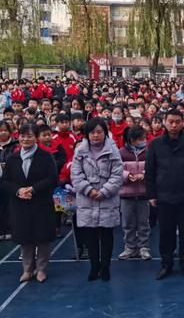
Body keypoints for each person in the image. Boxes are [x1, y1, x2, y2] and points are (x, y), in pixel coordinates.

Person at [145, 108, 184, 281]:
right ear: (164, 122)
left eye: (178, 122)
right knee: (166, 233)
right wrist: (152, 194)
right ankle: (166, 264)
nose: (174, 125)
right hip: (163, 197)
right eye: (170, 121)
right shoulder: (155, 144)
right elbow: (150, 171)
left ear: (183, 123)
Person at [0, 123, 57, 283]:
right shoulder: (12, 159)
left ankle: (41, 269)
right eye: (23, 136)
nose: (25, 139)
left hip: (41, 203)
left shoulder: (46, 157)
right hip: (20, 205)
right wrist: (19, 191)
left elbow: (52, 179)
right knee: (25, 239)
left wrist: (33, 189)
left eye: (29, 136)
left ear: (36, 138)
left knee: (42, 238)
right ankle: (27, 269)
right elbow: (4, 182)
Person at [70, 117, 123, 282]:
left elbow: (117, 174)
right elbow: (76, 174)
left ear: (105, 133)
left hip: (107, 199)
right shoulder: (80, 151)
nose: (95, 135)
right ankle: (94, 266)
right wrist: (89, 190)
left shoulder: (113, 150)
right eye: (92, 132)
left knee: (107, 235)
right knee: (90, 237)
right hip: (87, 200)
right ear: (87, 134)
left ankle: (106, 267)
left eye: (99, 132)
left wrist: (105, 191)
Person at [118, 125, 151, 260]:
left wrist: (144, 175)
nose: (144, 141)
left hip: (143, 194)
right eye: (141, 139)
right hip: (126, 194)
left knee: (143, 222)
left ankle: (144, 247)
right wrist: (127, 175)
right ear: (133, 140)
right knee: (127, 223)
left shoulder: (148, 152)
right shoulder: (121, 153)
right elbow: (116, 170)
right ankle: (130, 247)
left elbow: (153, 168)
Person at [0, 119, 18, 241]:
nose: (3, 133)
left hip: (10, 180)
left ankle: (10, 229)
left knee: (9, 205)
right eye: (0, 131)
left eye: (5, 130)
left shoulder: (15, 146)